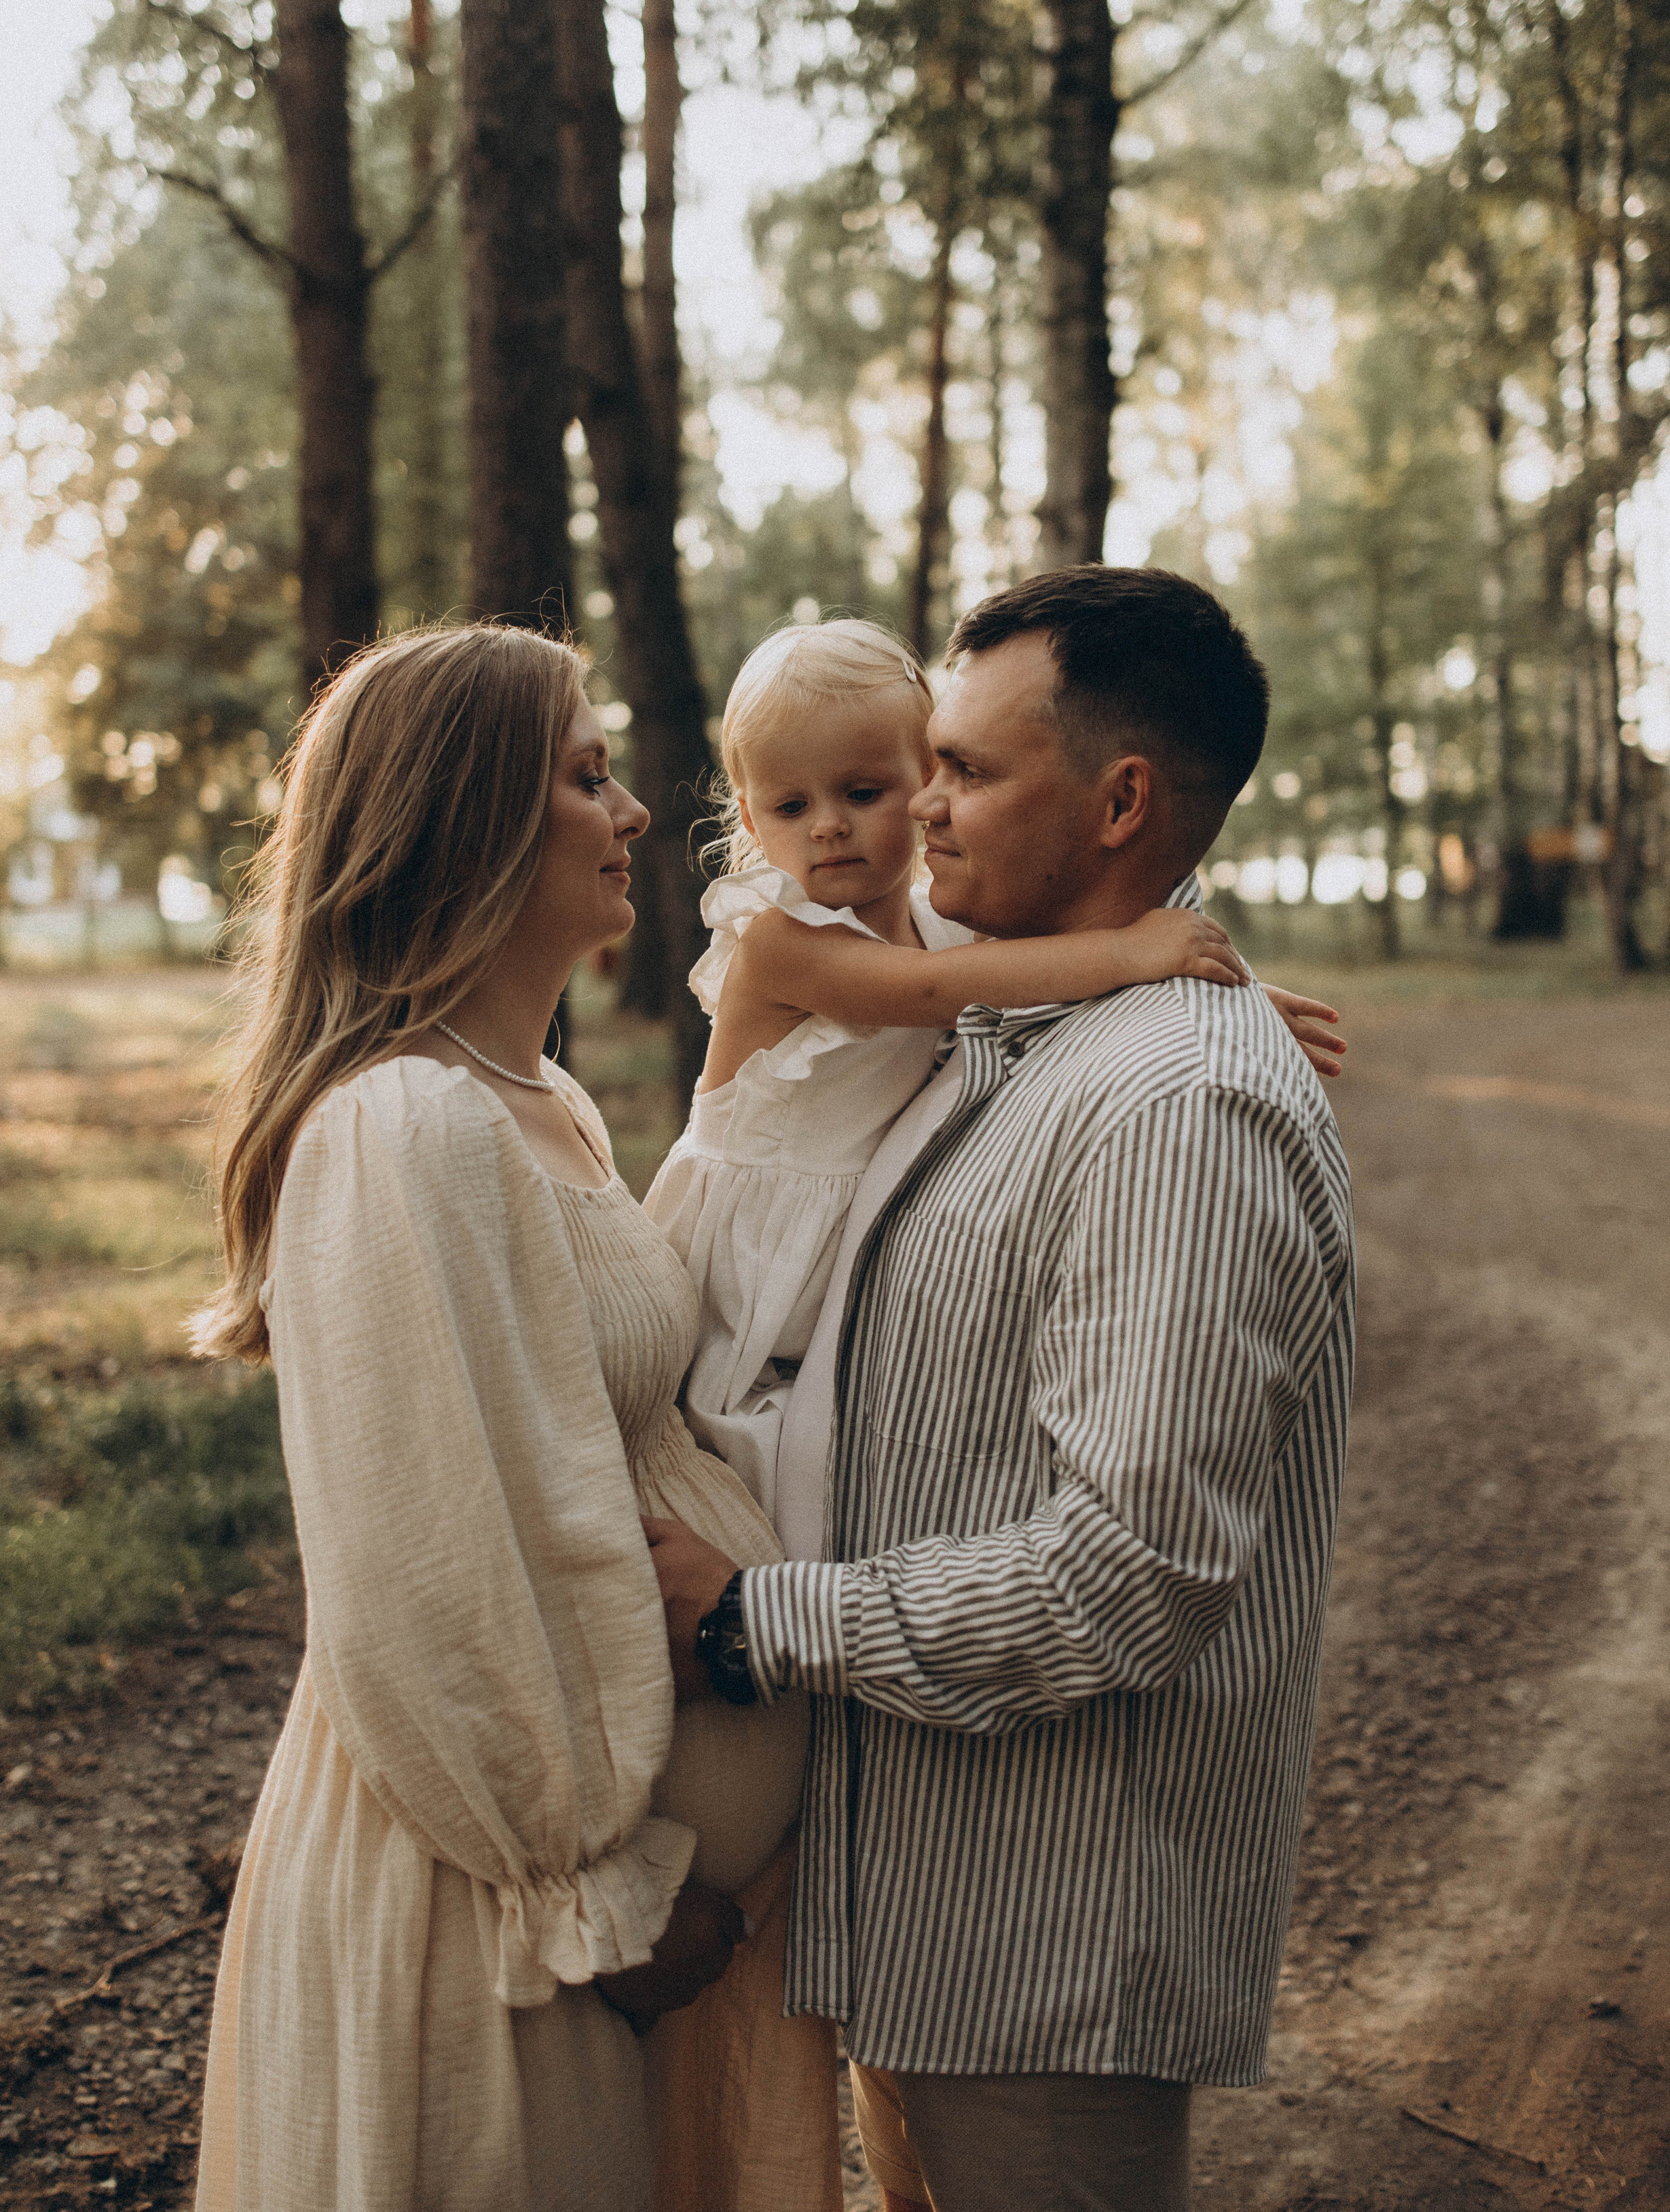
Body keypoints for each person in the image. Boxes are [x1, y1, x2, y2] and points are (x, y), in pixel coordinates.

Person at [644, 568, 1358, 2212]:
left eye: (956, 771)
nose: (916, 814)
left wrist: (760, 1621)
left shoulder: (1174, 1099)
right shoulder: (1056, 1015)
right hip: (922, 1891)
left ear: (1118, 800)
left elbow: (1130, 1575)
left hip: (1044, 1938)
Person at [189, 625, 839, 2212]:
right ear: (463, 817)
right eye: (588, 778)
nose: (631, 820)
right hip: (486, 1922)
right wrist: (596, 1891)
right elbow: (427, 1566)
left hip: (577, 1922)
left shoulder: (533, 1099)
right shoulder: (400, 1125)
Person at [646, 616, 1343, 1536]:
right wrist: (1137, 952)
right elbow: (941, 991)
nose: (827, 827)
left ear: (919, 781)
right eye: (788, 807)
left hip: (825, 1233)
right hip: (754, 1247)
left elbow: (1027, 967)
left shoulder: (942, 920)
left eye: (863, 791)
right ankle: (762, 1621)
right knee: (748, 1465)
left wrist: (1232, 992)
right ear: (748, 817)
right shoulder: (778, 942)